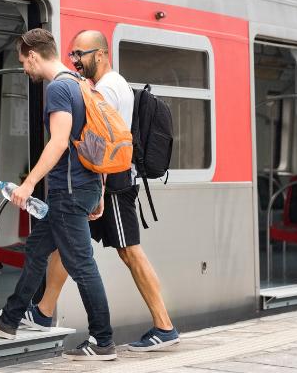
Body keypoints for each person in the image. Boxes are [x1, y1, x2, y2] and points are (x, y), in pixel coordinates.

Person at [22, 30, 180, 352]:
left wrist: (98, 191)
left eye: (82, 54)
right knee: (68, 244)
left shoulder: (107, 87)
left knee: (130, 252)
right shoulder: (105, 85)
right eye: (73, 56)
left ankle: (164, 325)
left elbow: (101, 141)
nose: (76, 61)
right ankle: (43, 311)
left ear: (102, 54)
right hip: (102, 183)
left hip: (112, 184)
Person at [0, 28, 117, 361]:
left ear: (34, 55)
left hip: (68, 192)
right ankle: (10, 319)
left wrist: (28, 184)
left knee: (82, 266)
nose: (25, 68)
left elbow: (59, 141)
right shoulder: (83, 85)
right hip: (84, 186)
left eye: (24, 61)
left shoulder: (59, 89)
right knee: (37, 251)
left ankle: (104, 340)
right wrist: (99, 191)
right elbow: (99, 141)